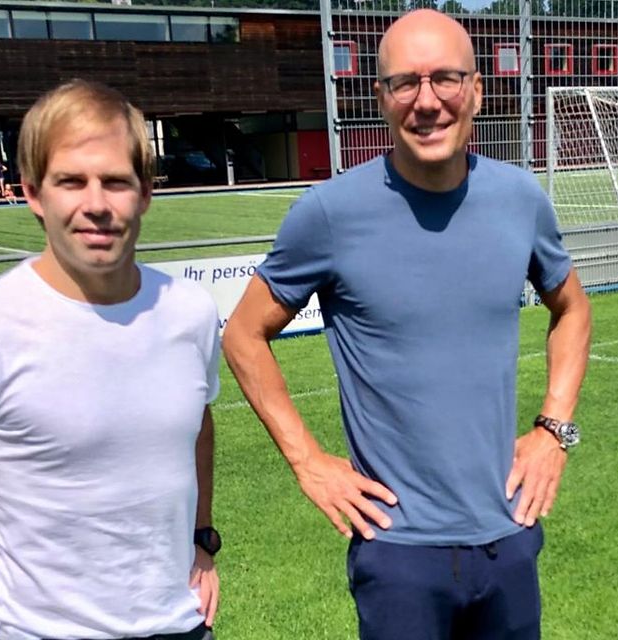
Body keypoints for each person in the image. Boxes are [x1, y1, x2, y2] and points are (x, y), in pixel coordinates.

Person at [222, 9, 591, 640]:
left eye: (446, 78)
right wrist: (308, 461)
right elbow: (242, 334)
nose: (428, 102)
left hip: (509, 537)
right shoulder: (330, 214)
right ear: (381, 97)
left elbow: (573, 308)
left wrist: (552, 428)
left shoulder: (520, 198)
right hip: (398, 552)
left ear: (477, 89)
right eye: (405, 83)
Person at [0, 80, 221, 639]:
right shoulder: (0, 321)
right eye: (71, 181)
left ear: (145, 192)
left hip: (178, 625)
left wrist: (203, 538)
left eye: (115, 181)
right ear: (33, 193)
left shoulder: (188, 311)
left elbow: (198, 425)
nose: (96, 205)